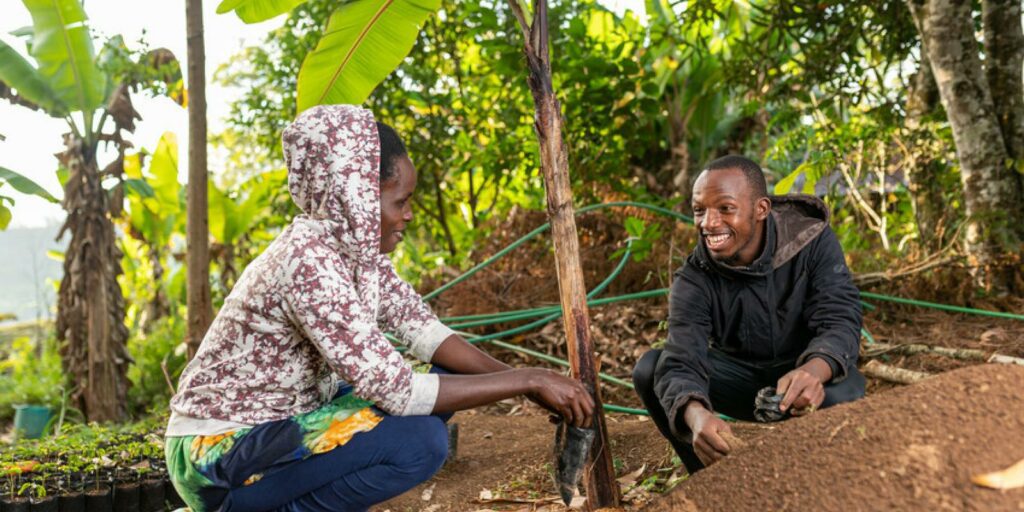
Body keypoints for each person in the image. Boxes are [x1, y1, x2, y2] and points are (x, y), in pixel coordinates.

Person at [164, 104, 594, 512]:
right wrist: (528, 380)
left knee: (445, 384)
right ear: (357, 198)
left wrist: (532, 386)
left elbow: (425, 332)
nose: (408, 215)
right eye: (400, 202)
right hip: (216, 454)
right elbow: (398, 391)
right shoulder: (306, 261)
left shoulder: (355, 256)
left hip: (275, 426)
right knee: (419, 440)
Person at [632, 155, 865, 473]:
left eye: (725, 208)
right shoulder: (694, 277)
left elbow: (840, 316)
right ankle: (710, 484)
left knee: (847, 389)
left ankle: (831, 478)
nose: (709, 223)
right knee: (651, 369)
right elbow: (682, 358)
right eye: (700, 210)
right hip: (739, 382)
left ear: (761, 210)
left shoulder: (811, 240)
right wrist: (695, 413)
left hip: (804, 377)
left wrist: (814, 371)